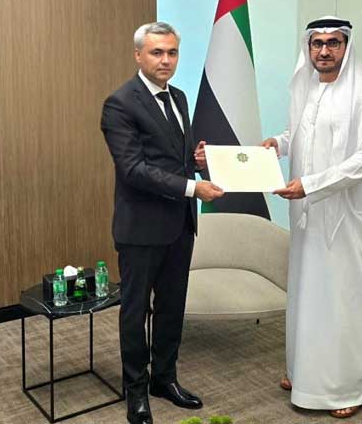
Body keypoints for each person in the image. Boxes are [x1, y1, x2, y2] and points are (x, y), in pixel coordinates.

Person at [261, 16, 362, 419]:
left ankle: (347, 386)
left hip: (350, 221)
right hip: (308, 215)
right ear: (308, 48)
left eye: (333, 43)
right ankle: (305, 373)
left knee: (344, 299)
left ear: (346, 47)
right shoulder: (306, 88)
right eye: (316, 43)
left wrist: (312, 184)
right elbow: (301, 134)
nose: (323, 51)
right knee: (307, 292)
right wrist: (278, 144)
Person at [101, 21, 224, 424]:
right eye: (157, 52)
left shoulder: (180, 97)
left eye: (172, 52)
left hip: (179, 226)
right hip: (140, 229)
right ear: (138, 55)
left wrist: (196, 161)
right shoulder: (120, 104)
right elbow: (134, 170)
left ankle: (164, 379)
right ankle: (136, 391)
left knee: (172, 307)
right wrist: (192, 187)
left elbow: (174, 158)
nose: (166, 60)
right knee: (135, 312)